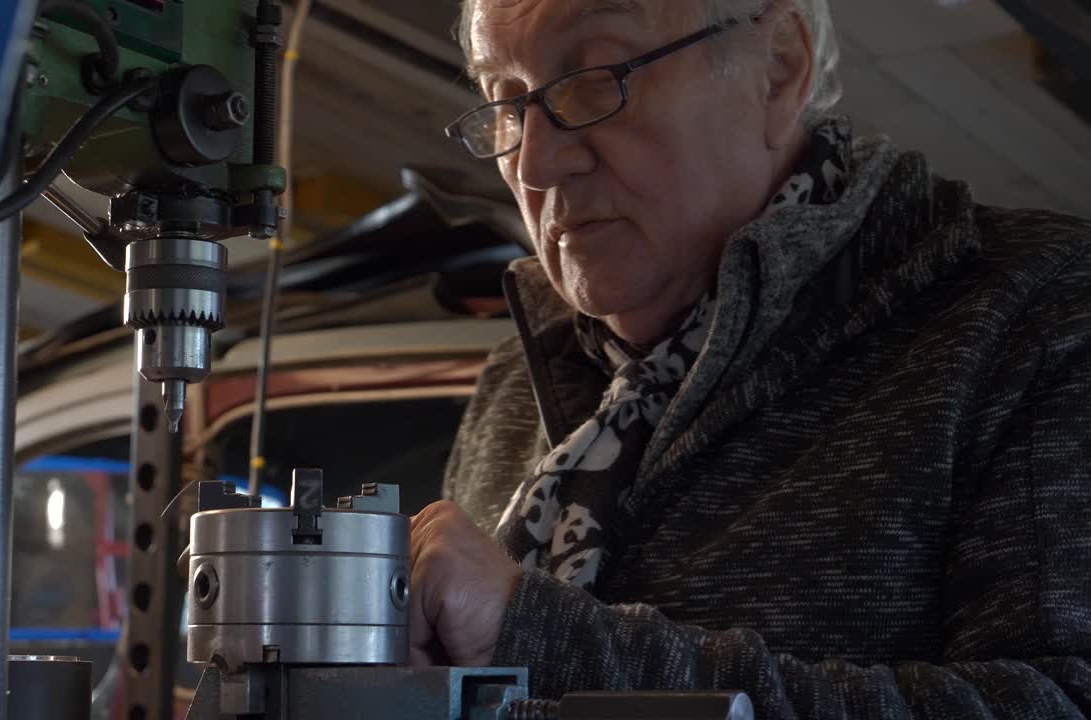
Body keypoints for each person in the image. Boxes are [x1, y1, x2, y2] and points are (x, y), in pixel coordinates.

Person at [408, 0, 1091, 717]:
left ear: (778, 67)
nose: (538, 162)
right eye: (505, 103)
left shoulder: (1031, 312)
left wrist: (539, 637)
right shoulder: (515, 386)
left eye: (595, 80)